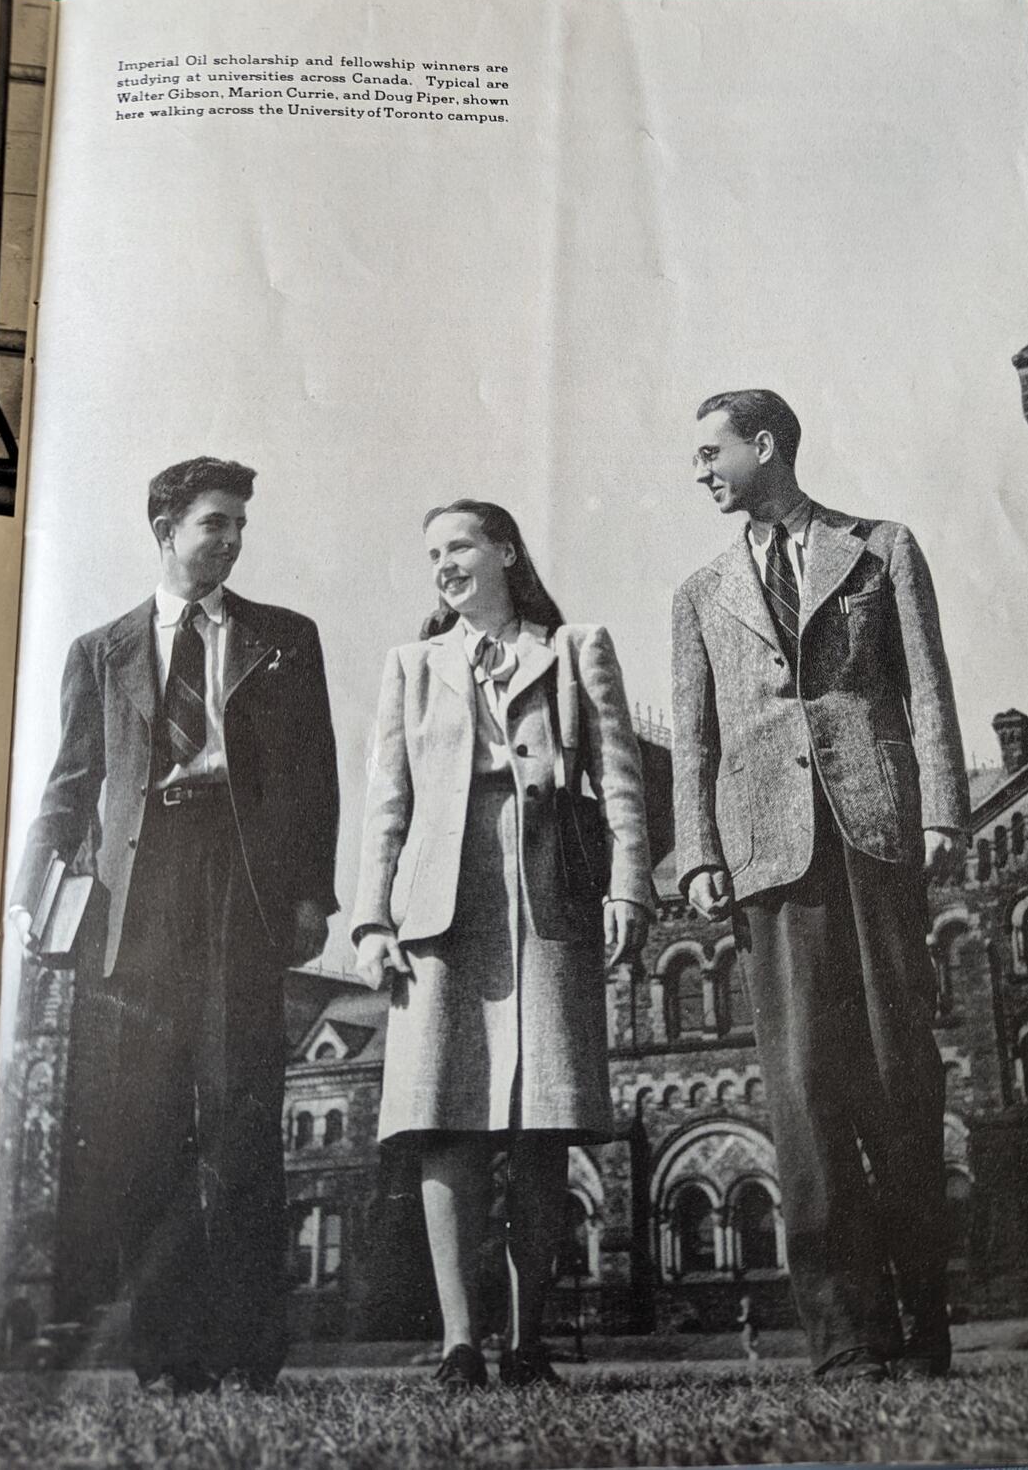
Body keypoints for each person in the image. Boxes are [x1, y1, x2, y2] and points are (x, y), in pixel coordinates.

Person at [10, 457, 340, 1393]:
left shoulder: (286, 639)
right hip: (135, 906)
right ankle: (167, 1358)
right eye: (213, 523)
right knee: (145, 1128)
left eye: (239, 524)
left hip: (239, 890)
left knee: (242, 1118)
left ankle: (249, 1353)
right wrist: (34, 893)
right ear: (165, 530)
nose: (232, 539)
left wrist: (311, 896)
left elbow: (314, 780)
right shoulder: (100, 650)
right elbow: (69, 788)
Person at [671, 391, 970, 1384]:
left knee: (898, 1073)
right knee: (802, 1089)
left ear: (766, 447)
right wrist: (700, 850)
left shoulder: (880, 545)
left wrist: (940, 814)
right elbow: (696, 736)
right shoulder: (700, 591)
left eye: (712, 451)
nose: (700, 469)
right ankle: (845, 1341)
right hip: (767, 853)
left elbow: (925, 683)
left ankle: (923, 1329)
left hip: (874, 834)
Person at [351, 499, 652, 1389]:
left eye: (460, 546)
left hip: (549, 895)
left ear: (506, 552)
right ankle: (458, 1343)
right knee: (443, 1119)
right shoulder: (411, 667)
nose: (443, 564)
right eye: (432, 552)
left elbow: (623, 784)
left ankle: (526, 1343)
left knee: (541, 1124)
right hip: (442, 909)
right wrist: (371, 921)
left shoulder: (574, 647)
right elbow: (387, 803)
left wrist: (630, 885)